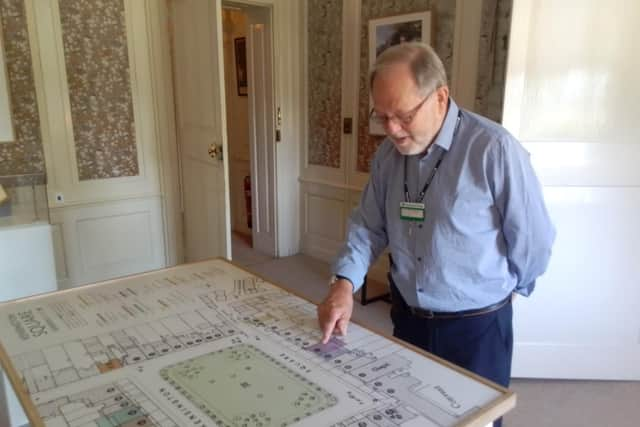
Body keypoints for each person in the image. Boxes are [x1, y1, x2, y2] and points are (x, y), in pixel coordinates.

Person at [317, 42, 555, 427]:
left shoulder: (493, 150)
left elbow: (534, 242)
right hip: (408, 320)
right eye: (382, 117)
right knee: (412, 417)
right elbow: (368, 226)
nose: (392, 129)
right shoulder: (387, 158)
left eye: (403, 115)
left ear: (440, 97)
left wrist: (501, 291)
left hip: (476, 328)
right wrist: (344, 283)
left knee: (475, 421)